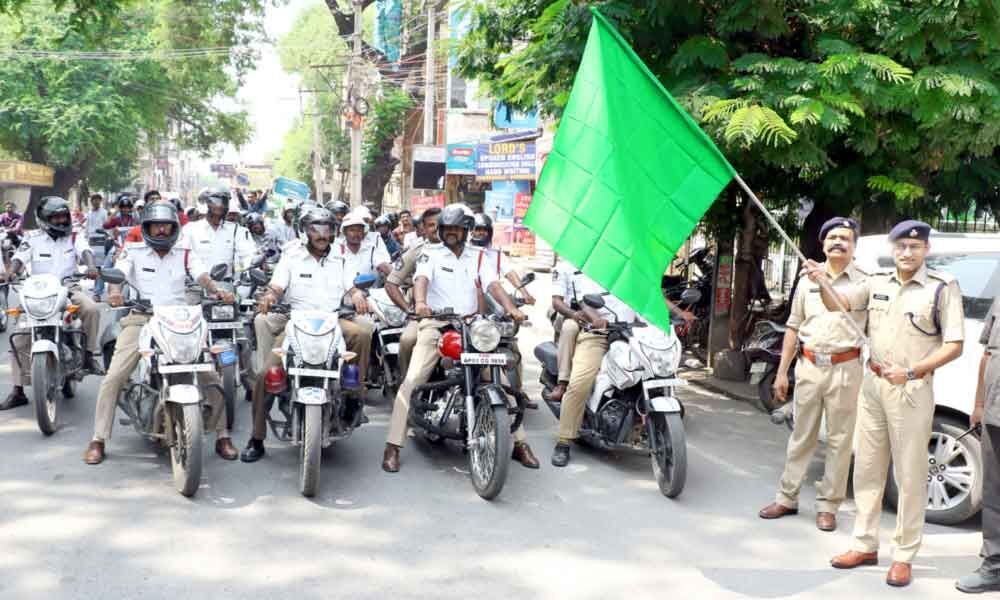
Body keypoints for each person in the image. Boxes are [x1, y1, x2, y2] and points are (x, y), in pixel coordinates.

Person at [805, 219, 964, 587]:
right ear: (893, 249)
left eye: (914, 247)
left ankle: (904, 554)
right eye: (901, 247)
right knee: (867, 469)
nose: (907, 252)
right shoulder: (876, 282)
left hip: (911, 389)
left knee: (909, 476)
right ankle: (864, 543)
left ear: (925, 250)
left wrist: (911, 372)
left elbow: (954, 345)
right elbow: (839, 305)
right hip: (874, 385)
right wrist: (822, 281)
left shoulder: (942, 288)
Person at [83, 203, 238, 464]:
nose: (162, 230)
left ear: (175, 228)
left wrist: (216, 290)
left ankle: (222, 435)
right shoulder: (133, 251)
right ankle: (98, 439)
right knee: (114, 376)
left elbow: (201, 275)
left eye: (167, 225)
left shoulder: (185, 253)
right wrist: (115, 293)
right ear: (147, 228)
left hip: (181, 319)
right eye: (157, 225)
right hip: (142, 319)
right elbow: (118, 274)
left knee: (210, 376)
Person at [381, 204, 527, 473]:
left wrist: (511, 308)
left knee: (503, 381)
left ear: (466, 230)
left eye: (456, 229)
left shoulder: (480, 256)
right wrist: (421, 303)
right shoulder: (429, 253)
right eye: (446, 228)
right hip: (437, 323)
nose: (450, 233)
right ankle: (393, 446)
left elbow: (493, 285)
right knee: (412, 381)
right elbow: (421, 279)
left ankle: (519, 442)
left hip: (472, 326)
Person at [757, 218, 867, 532]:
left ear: (853, 245)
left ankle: (828, 506)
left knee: (839, 440)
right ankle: (787, 497)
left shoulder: (863, 281)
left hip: (846, 368)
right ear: (823, 244)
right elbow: (793, 326)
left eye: (845, 238)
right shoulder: (806, 281)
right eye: (832, 237)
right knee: (801, 436)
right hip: (808, 366)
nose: (838, 242)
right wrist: (782, 372)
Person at [241, 207, 374, 463]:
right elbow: (277, 285)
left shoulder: (341, 256)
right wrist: (270, 295)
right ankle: (256, 438)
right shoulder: (292, 255)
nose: (322, 235)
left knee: (362, 334)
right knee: (264, 375)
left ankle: (355, 395)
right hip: (297, 324)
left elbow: (351, 285)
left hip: (332, 321)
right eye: (316, 229)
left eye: (327, 229)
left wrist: (357, 294)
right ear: (305, 232)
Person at [0, 197, 104, 410]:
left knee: (92, 309)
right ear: (44, 219)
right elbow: (20, 258)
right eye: (54, 217)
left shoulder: (74, 235)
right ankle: (18, 391)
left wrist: (91, 266)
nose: (60, 220)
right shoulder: (33, 238)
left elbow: (85, 252)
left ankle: (88, 355)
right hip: (38, 293)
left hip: (69, 289)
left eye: (63, 216)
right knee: (19, 338)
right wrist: (10, 272)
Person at [550, 272, 636, 467]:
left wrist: (677, 313)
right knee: (579, 383)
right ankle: (564, 440)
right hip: (599, 333)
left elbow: (652, 297)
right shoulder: (592, 268)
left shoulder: (632, 268)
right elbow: (584, 302)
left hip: (633, 335)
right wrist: (596, 318)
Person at [957, 298, 1000, 593]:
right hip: (995, 412)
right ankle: (994, 566)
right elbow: (987, 353)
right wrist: (979, 404)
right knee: (994, 494)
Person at [385, 208, 441, 377]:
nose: (436, 229)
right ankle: (405, 382)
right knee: (407, 340)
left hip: (461, 317)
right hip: (426, 316)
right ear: (422, 228)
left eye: (440, 224)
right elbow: (391, 283)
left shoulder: (465, 250)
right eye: (431, 225)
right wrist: (409, 310)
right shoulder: (418, 250)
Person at [182, 188, 257, 281]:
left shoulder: (236, 230)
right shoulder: (190, 229)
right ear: (207, 206)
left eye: (223, 203)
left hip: (226, 287)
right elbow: (183, 257)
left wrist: (247, 267)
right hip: (196, 286)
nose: (219, 206)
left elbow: (247, 254)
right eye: (215, 202)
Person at [470, 213, 536, 305]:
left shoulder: (496, 253)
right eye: (478, 229)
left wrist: (525, 293)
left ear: (490, 232)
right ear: (471, 232)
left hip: (492, 301)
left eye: (485, 230)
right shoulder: (465, 251)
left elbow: (509, 272)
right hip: (469, 300)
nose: (481, 232)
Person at [336, 210, 392, 289]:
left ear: (363, 232)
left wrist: (396, 276)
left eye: (359, 230)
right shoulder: (337, 249)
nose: (356, 234)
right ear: (345, 232)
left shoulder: (371, 249)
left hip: (369, 296)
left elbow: (383, 264)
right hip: (344, 297)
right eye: (352, 230)